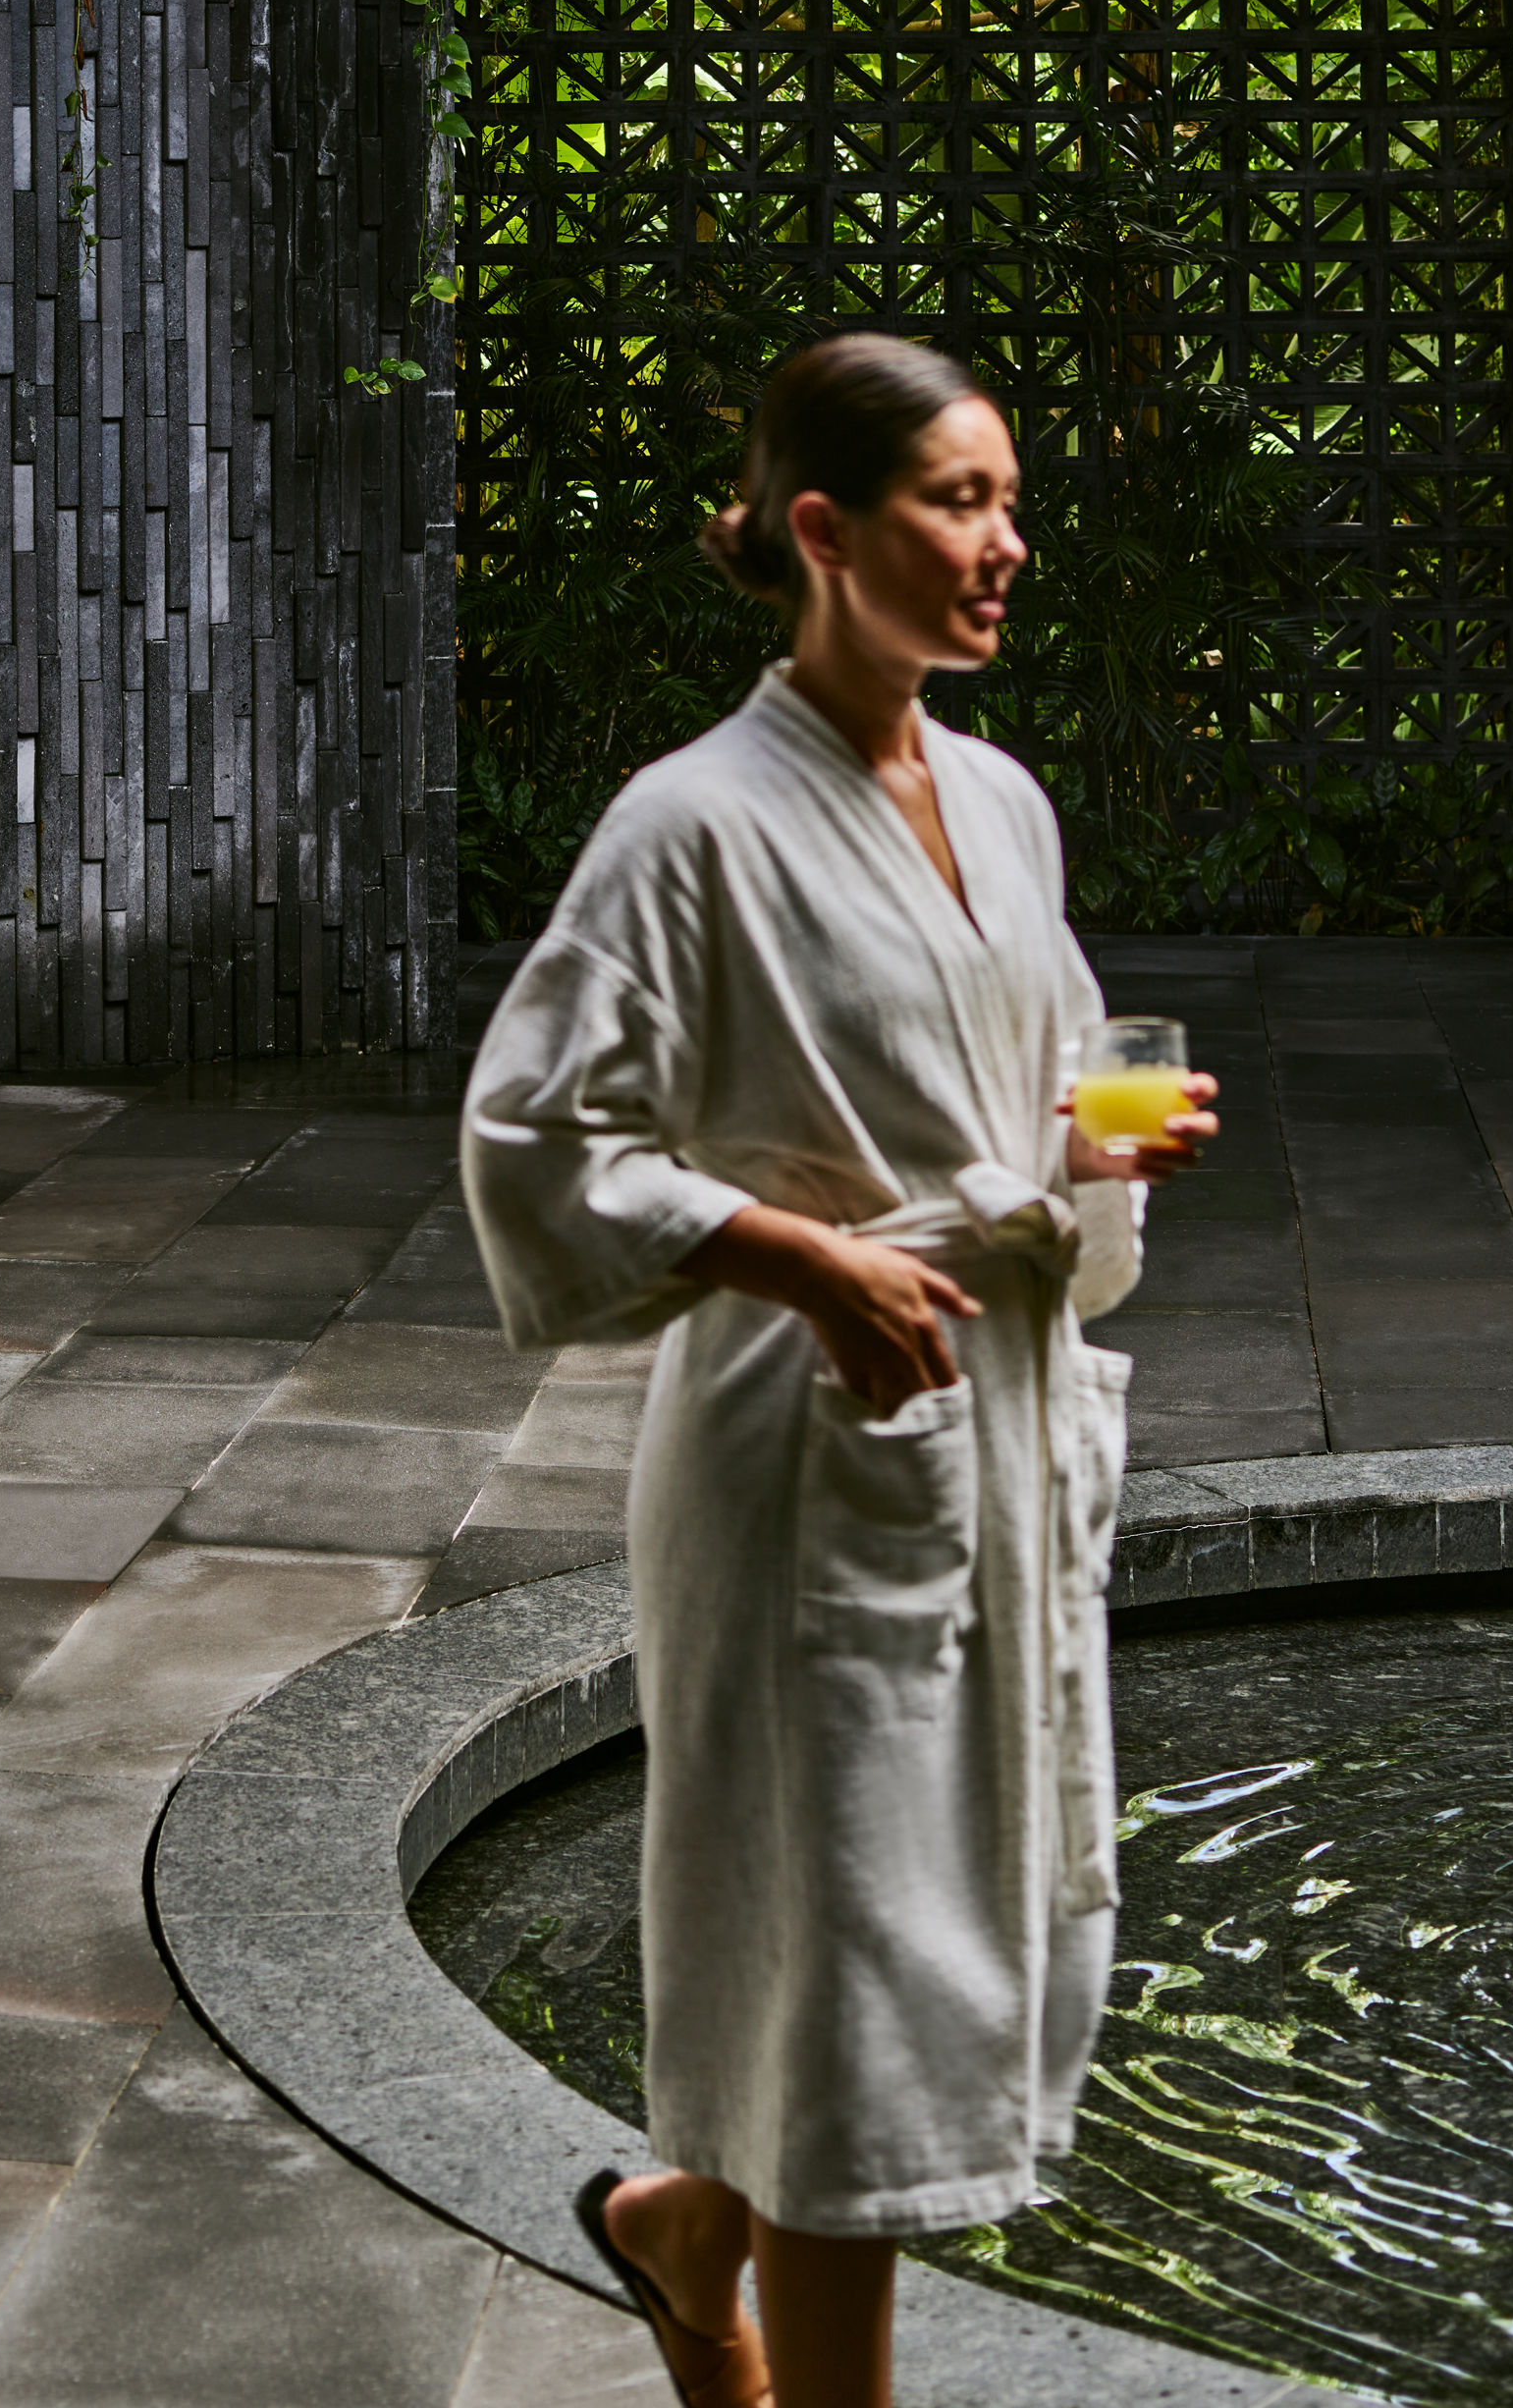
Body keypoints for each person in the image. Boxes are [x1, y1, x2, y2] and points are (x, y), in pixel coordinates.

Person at [459, 334, 1216, 2408]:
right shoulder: (687, 827)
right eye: (960, 501)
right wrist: (793, 1257)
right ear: (824, 527)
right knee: (863, 2023)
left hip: (984, 1435)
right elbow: (538, 1136)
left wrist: (1095, 1143)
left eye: (1006, 499)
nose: (1007, 545)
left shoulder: (1002, 801)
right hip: (815, 1468)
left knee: (909, 1971)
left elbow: (1040, 1083)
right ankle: (723, 2252)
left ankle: (676, 2231)